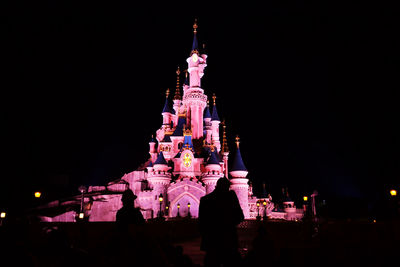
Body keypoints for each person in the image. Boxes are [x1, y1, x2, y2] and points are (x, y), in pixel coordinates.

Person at [199, 177, 244, 267]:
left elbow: (201, 224)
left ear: (216, 186)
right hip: (228, 242)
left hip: (212, 243)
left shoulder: (205, 200)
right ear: (227, 187)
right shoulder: (231, 197)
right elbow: (240, 217)